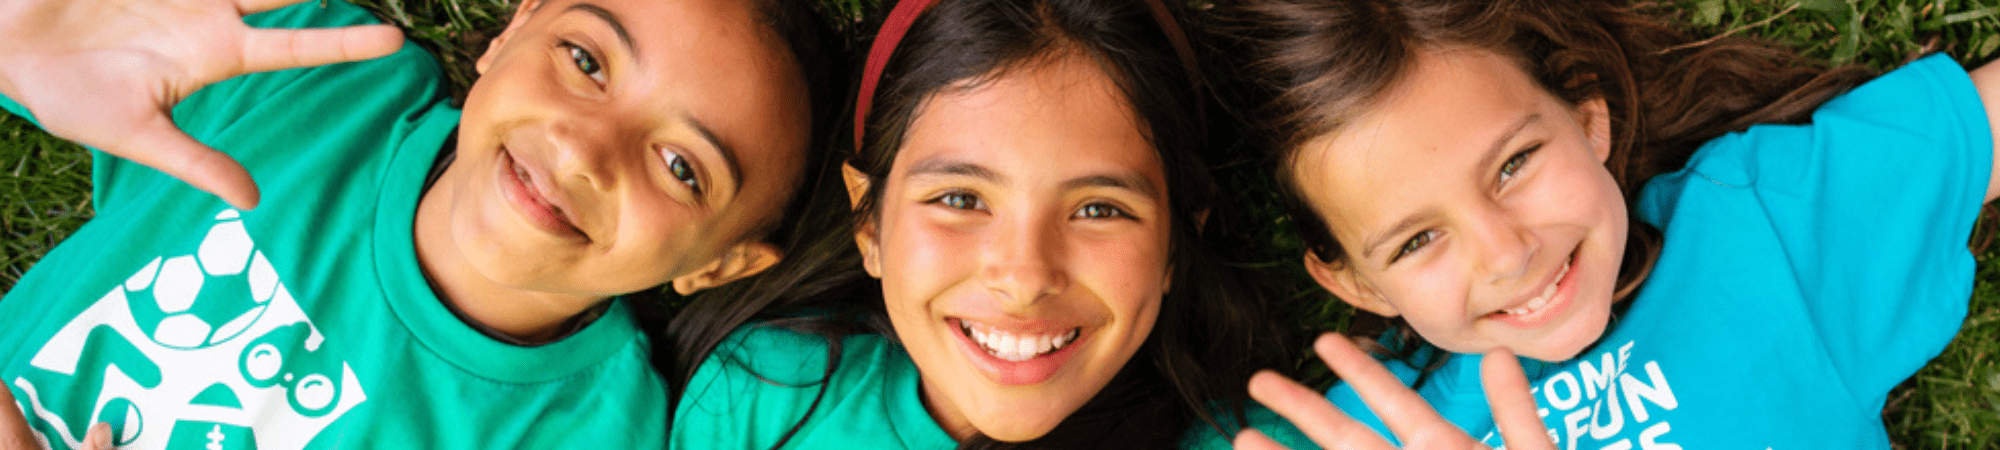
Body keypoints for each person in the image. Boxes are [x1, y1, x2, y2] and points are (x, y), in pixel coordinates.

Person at [0, 0, 840, 447]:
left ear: (721, 265)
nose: (586, 149)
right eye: (585, 60)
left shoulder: (590, 436)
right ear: (516, 27)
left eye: (681, 167)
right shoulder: (316, 82)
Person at [1217, 0, 1998, 447]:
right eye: (1417, 240)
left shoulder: (1758, 233)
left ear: (1589, 114)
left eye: (1514, 164)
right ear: (1353, 279)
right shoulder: (1377, 435)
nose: (1506, 254)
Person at [663, 0, 1310, 448]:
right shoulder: (760, 395)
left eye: (1099, 209)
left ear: (1176, 242)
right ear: (868, 223)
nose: (1025, 278)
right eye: (960, 199)